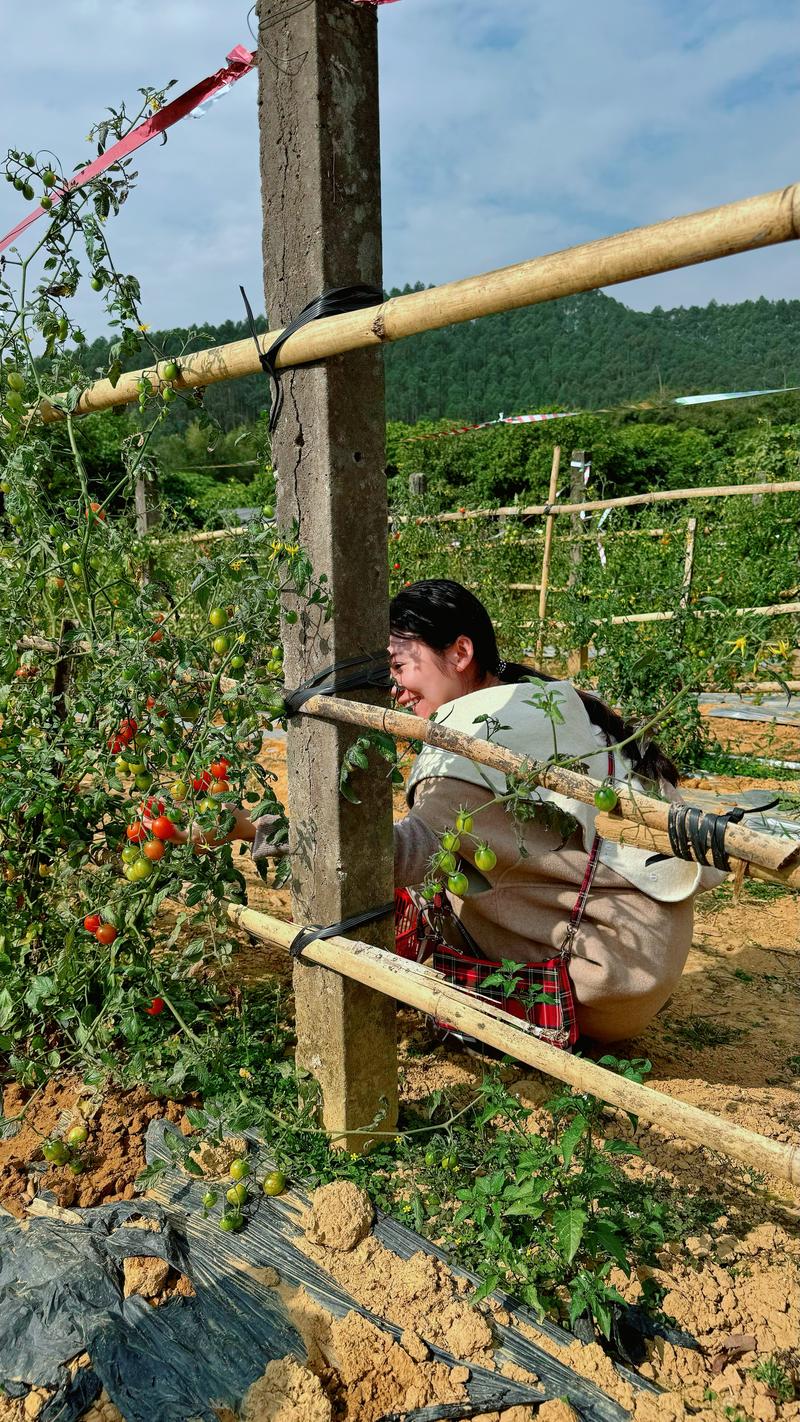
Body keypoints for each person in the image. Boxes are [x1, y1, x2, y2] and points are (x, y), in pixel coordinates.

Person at [178, 579, 724, 1045]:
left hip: (595, 980)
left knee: (412, 893)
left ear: (459, 654)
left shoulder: (471, 746)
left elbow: (386, 858)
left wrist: (247, 827)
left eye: (398, 666)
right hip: (648, 956)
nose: (392, 690)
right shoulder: (539, 701)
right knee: (461, 864)